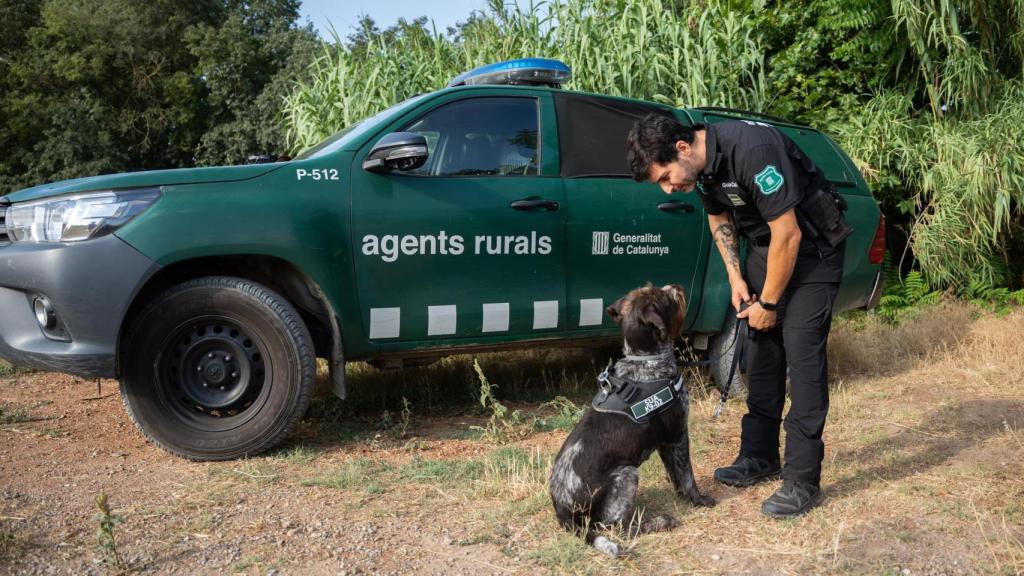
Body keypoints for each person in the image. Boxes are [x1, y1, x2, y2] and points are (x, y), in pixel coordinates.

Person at [625, 113, 848, 518]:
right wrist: (736, 278)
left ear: (683, 148)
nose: (670, 187)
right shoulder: (703, 170)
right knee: (761, 353)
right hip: (767, 249)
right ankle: (760, 457)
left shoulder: (752, 150)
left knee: (802, 357)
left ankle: (802, 479)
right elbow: (719, 217)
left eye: (666, 176)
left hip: (814, 251)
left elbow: (790, 233)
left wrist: (771, 304)